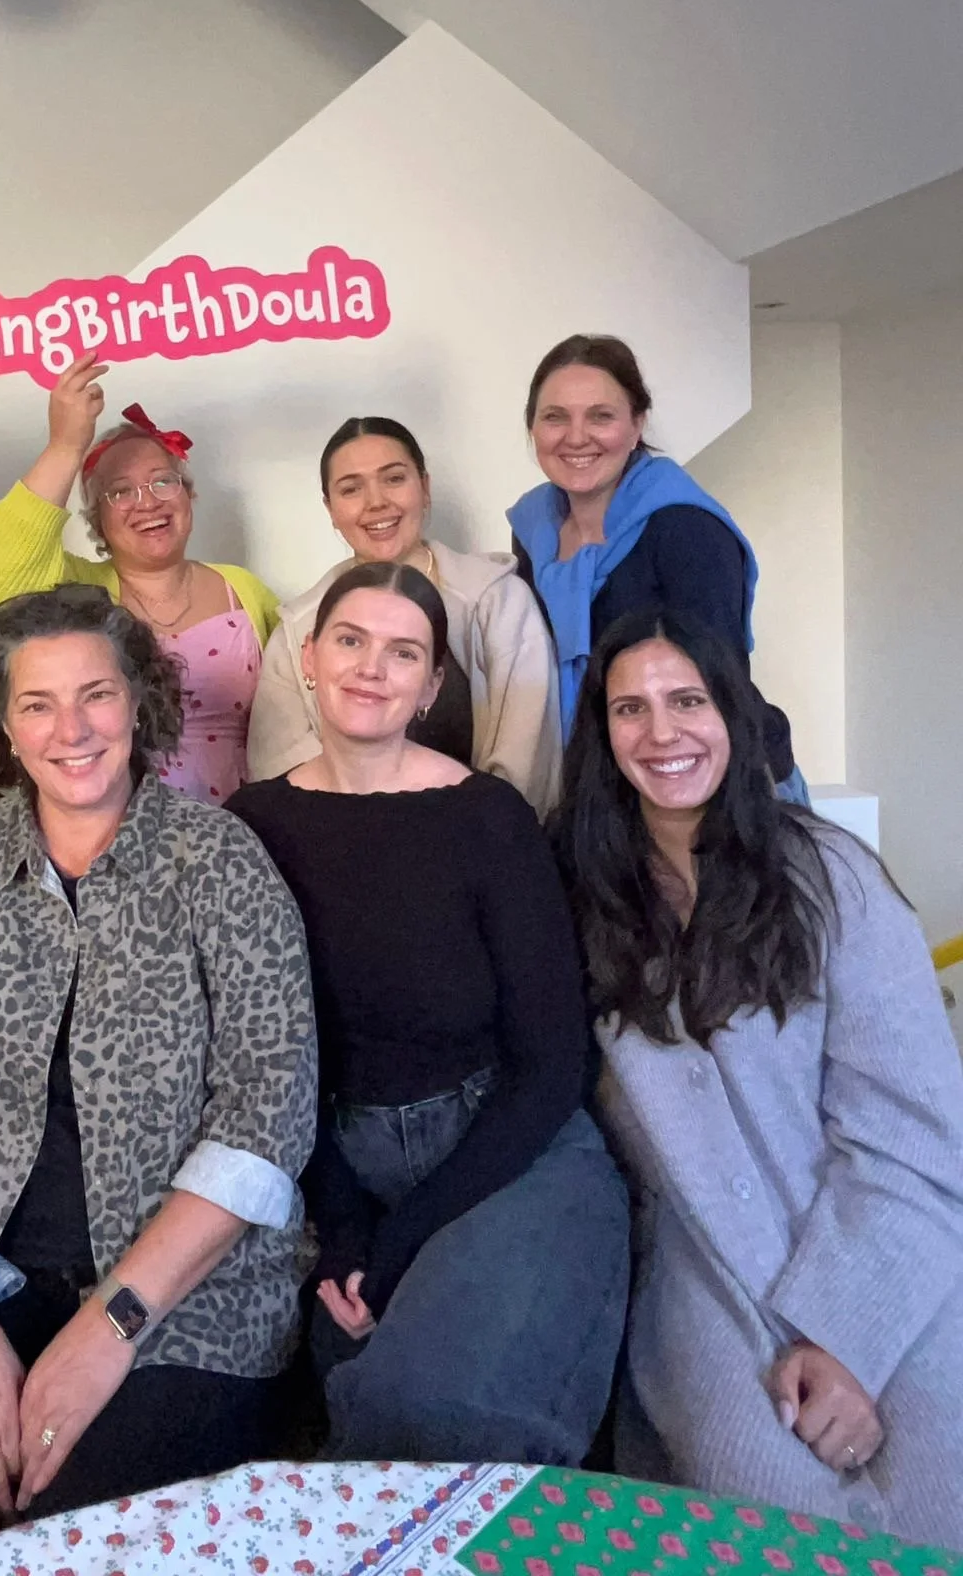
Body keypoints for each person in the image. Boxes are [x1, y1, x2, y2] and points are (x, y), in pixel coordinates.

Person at [0, 583, 317, 1576]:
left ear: (140, 702)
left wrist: (113, 1323)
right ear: (1, 721)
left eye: (97, 694)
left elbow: (270, 1103)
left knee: (79, 1552)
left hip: (187, 1300)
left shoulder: (220, 858)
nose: (72, 728)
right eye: (37, 702)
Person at [555, 611, 963, 1546]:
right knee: (764, 1509)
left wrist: (848, 1336)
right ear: (601, 733)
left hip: (888, 1248)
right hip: (697, 1286)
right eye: (631, 709)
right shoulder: (578, 898)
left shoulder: (833, 879)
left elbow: (913, 1136)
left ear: (733, 713)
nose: (662, 733)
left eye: (687, 700)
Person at [227, 562, 628, 1467]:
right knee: (348, 1390)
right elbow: (265, 1058)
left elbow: (551, 1065)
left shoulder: (488, 817)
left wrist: (404, 1238)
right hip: (329, 1163)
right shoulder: (251, 823)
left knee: (429, 1412)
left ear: (433, 685)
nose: (373, 667)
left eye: (403, 651)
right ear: (308, 662)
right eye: (351, 641)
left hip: (506, 1153)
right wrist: (342, 1226)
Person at [0, 354, 279, 802]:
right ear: (96, 520)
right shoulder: (76, 597)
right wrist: (65, 446)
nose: (146, 503)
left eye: (162, 482)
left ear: (189, 495)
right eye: (120, 491)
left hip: (244, 824)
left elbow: (294, 715)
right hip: (121, 829)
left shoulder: (244, 590)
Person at [508, 334, 798, 788]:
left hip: (703, 779)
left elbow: (717, 688)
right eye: (555, 418)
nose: (576, 436)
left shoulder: (684, 527)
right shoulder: (532, 529)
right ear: (533, 428)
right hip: (594, 782)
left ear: (636, 424)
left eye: (601, 416)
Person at [247, 415, 561, 811]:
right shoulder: (298, 630)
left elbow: (527, 758)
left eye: (394, 478)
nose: (376, 501)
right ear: (329, 508)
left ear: (424, 488)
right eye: (351, 488)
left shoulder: (499, 601)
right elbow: (281, 767)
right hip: (334, 850)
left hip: (481, 845)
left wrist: (477, 837)